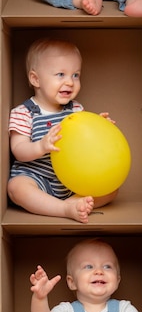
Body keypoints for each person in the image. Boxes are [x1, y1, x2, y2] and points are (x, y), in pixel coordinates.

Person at [8, 38, 117, 223]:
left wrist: (100, 127)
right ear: (35, 79)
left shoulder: (76, 110)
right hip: (37, 177)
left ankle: (77, 203)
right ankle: (64, 209)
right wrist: (41, 146)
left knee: (111, 188)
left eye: (76, 75)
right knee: (16, 188)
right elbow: (18, 150)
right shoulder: (24, 112)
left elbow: (86, 142)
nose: (70, 82)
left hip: (71, 182)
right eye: (60, 74)